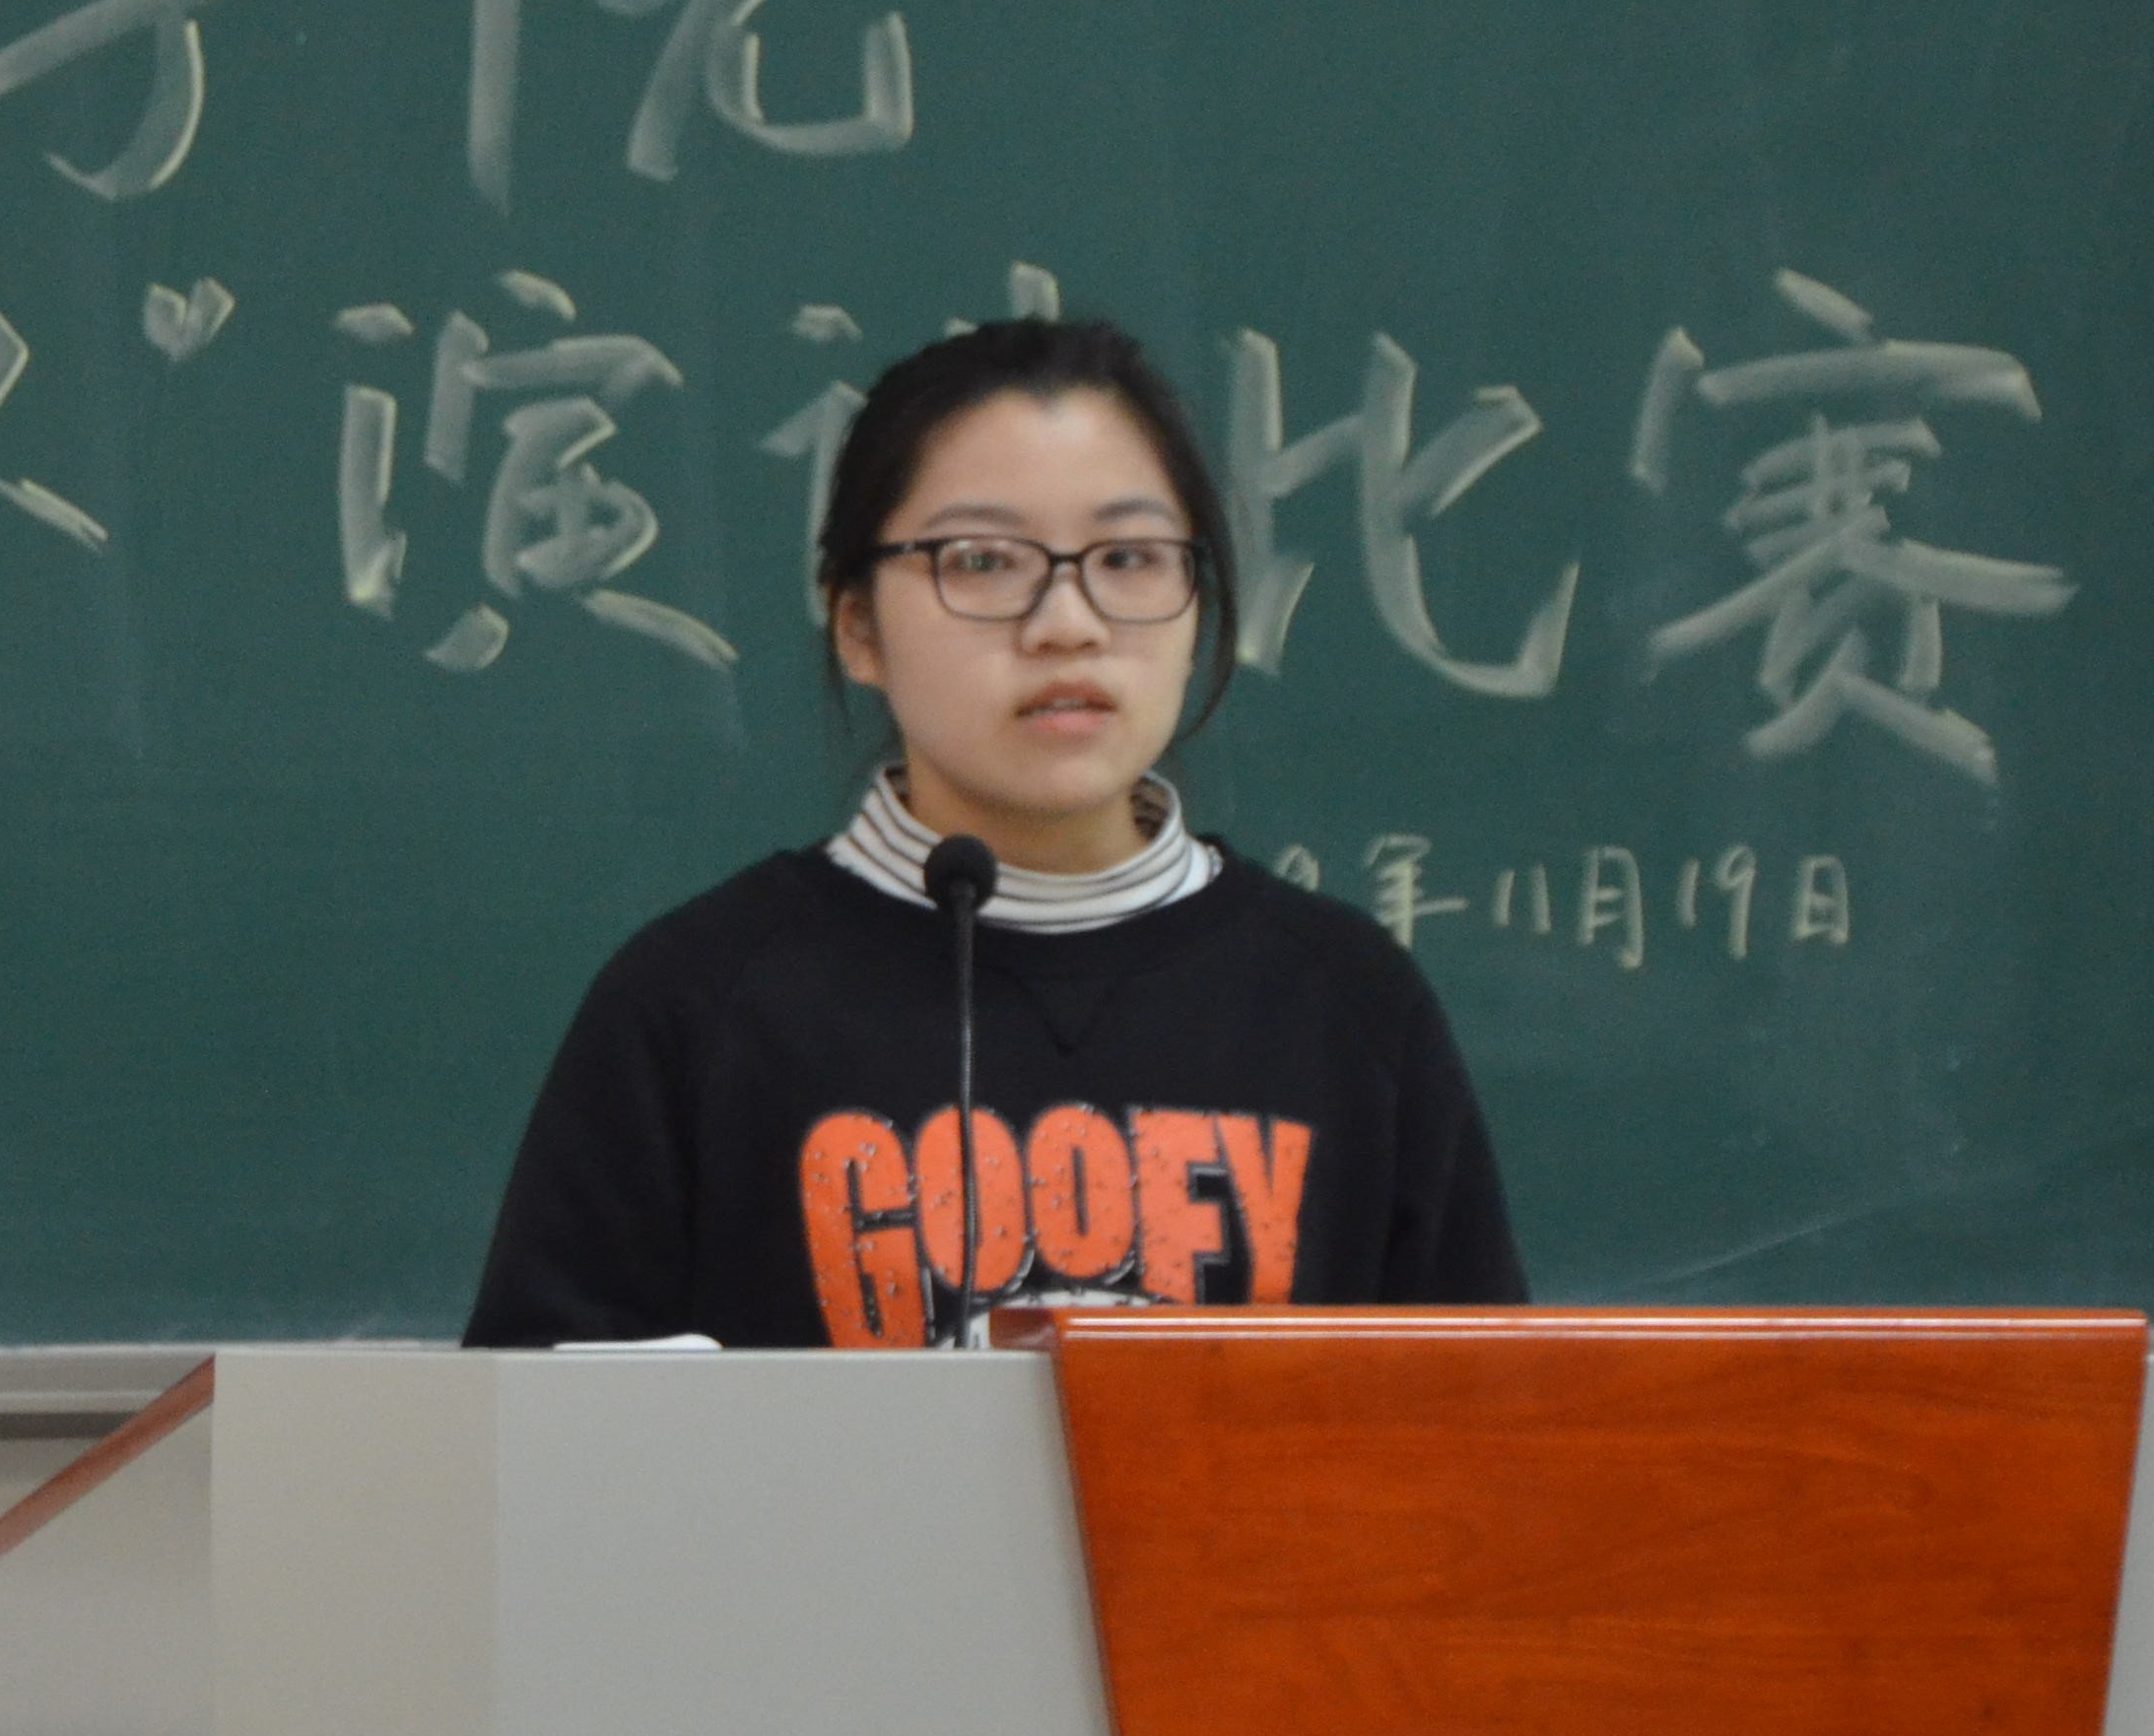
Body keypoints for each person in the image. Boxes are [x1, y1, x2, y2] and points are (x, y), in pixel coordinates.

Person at [463, 315, 1524, 1347]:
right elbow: (534, 1434)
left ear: (1198, 602)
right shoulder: (695, 1005)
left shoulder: (1344, 1003)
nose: (1066, 623)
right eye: (981, 561)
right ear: (857, 625)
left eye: (1129, 558)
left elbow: (1490, 1429)